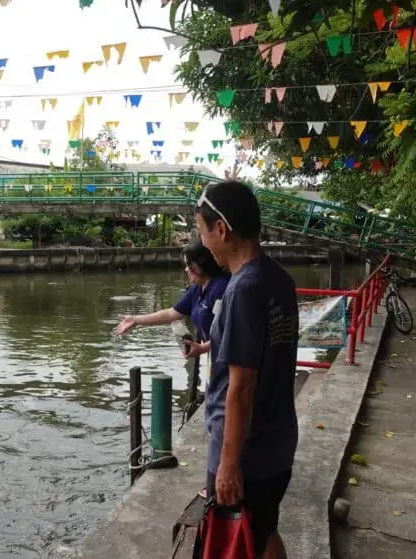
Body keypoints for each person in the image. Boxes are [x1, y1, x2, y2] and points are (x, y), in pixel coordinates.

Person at [185, 180, 299, 559]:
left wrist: (229, 464)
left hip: (247, 452)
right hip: (278, 441)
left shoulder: (240, 290)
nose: (203, 244)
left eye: (203, 232)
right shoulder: (278, 278)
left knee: (234, 539)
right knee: (263, 530)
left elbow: (241, 388)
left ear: (222, 229)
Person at [114, 240, 228, 346]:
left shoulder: (220, 289)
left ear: (202, 264)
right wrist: (135, 319)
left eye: (189, 265)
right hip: (214, 357)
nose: (186, 270)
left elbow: (227, 336)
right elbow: (172, 313)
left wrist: (203, 348)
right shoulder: (197, 288)